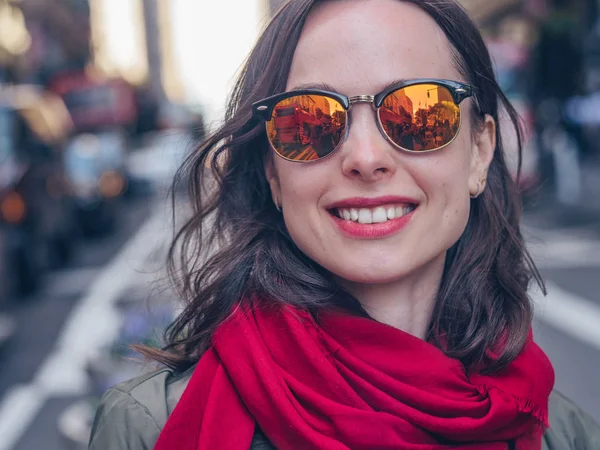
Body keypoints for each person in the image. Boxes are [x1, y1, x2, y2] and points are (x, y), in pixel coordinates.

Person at [89, 0, 600, 449]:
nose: (366, 157)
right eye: (309, 122)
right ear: (272, 172)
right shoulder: (147, 428)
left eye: (417, 111)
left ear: (479, 152)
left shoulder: (563, 433)